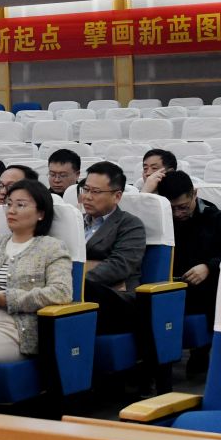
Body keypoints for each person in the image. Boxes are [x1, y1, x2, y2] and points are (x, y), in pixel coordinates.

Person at [0, 178, 75, 366]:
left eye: (20, 205)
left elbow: (61, 292)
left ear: (41, 213)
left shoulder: (51, 247)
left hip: (15, 326)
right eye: (9, 204)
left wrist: (8, 299)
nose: (11, 210)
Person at [158, 170, 221, 379]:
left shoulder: (219, 220)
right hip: (170, 285)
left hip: (206, 287)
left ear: (194, 194)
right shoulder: (161, 221)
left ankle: (202, 351)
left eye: (183, 207)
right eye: (172, 208)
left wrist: (209, 267)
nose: (177, 214)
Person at [79, 161, 152, 387]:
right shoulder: (75, 223)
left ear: (117, 196)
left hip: (117, 299)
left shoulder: (130, 225)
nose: (87, 197)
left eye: (96, 192)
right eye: (85, 189)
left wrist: (74, 279)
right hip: (81, 292)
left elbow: (119, 266)